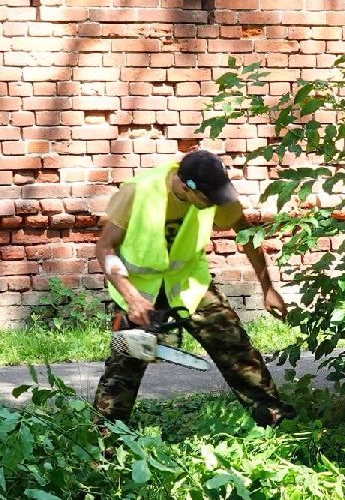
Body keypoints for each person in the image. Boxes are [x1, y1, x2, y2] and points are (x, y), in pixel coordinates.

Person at [93, 149, 295, 427]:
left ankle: (276, 422)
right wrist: (131, 297)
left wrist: (267, 287)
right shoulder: (138, 192)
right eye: (207, 198)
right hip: (138, 290)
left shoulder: (214, 191)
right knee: (121, 373)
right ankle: (103, 444)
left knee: (237, 350)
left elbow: (247, 236)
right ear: (187, 186)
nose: (215, 203)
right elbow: (104, 247)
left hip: (189, 282)